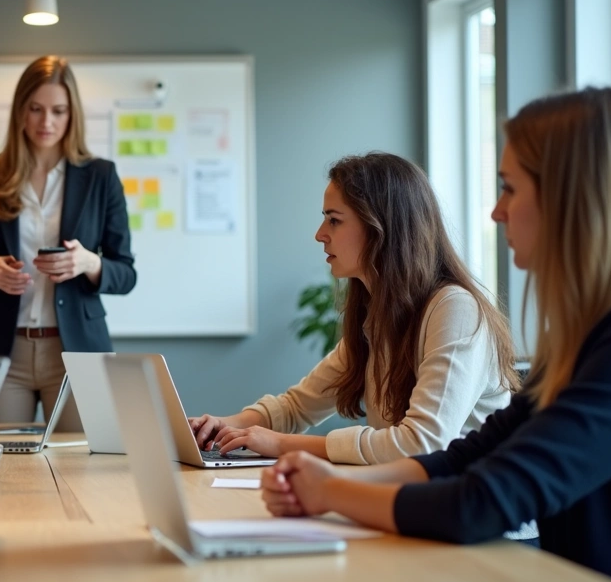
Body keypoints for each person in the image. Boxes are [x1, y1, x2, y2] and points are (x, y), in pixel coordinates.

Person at [261, 88, 611, 582]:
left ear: (570, 198)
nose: (496, 212)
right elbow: (467, 457)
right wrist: (330, 485)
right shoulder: (590, 331)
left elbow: (481, 501)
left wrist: (331, 493)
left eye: (510, 188)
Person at [191, 153, 519, 465]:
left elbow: (421, 442)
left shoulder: (455, 311)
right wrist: (222, 426)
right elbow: (296, 407)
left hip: (467, 515)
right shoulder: (379, 317)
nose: (320, 235)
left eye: (334, 221)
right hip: (414, 501)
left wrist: (283, 444)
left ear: (381, 228)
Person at [0, 55, 136, 431]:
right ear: (21, 110)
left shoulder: (101, 176)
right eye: (35, 109)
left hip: (77, 351)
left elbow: (126, 273)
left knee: (81, 475)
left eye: (58, 110)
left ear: (73, 115)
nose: (46, 122)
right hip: (5, 350)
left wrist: (89, 263)